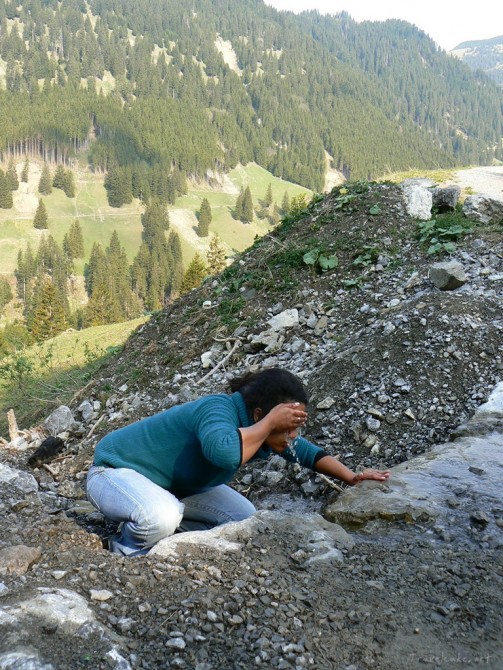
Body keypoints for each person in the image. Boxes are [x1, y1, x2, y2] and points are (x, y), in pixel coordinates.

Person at [86, 368, 389, 556]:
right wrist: (271, 422)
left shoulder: (263, 430)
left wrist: (351, 477)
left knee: (244, 520)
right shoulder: (217, 409)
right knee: (162, 515)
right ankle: (127, 550)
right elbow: (225, 452)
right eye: (287, 425)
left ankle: (165, 538)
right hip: (114, 473)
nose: (292, 434)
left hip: (170, 486)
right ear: (258, 415)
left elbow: (306, 451)